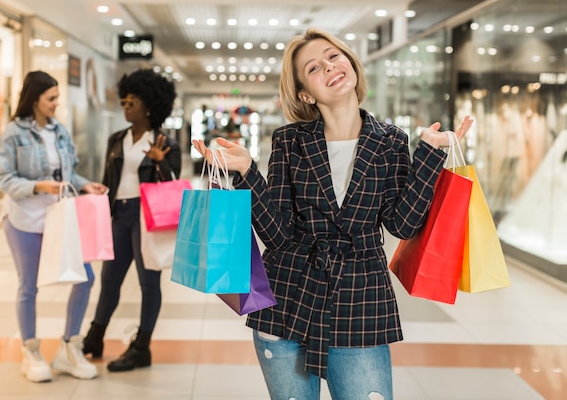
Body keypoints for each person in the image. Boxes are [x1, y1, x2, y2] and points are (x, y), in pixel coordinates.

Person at [193, 28, 473, 400]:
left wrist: (431, 155)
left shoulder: (391, 141)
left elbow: (401, 223)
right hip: (288, 300)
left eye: (333, 56)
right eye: (313, 67)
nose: (329, 66)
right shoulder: (289, 141)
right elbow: (278, 234)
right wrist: (247, 173)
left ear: (350, 63)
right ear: (305, 93)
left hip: (361, 300)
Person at [0, 70, 108, 383]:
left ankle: (70, 346)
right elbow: (2, 178)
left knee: (84, 277)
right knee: (29, 285)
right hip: (24, 219)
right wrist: (39, 187)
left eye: (57, 97)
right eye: (51, 98)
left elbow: (68, 174)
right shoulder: (13, 134)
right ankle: (30, 350)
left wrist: (86, 186)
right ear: (35, 99)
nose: (57, 103)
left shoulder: (60, 131)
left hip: (61, 217)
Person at [82, 68, 180, 372]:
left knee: (148, 281)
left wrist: (160, 164)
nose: (126, 106)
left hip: (145, 215)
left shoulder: (165, 143)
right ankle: (95, 337)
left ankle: (141, 347)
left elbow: (173, 183)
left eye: (132, 101)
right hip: (118, 215)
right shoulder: (116, 139)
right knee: (109, 279)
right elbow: (107, 178)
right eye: (123, 101)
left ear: (149, 105)